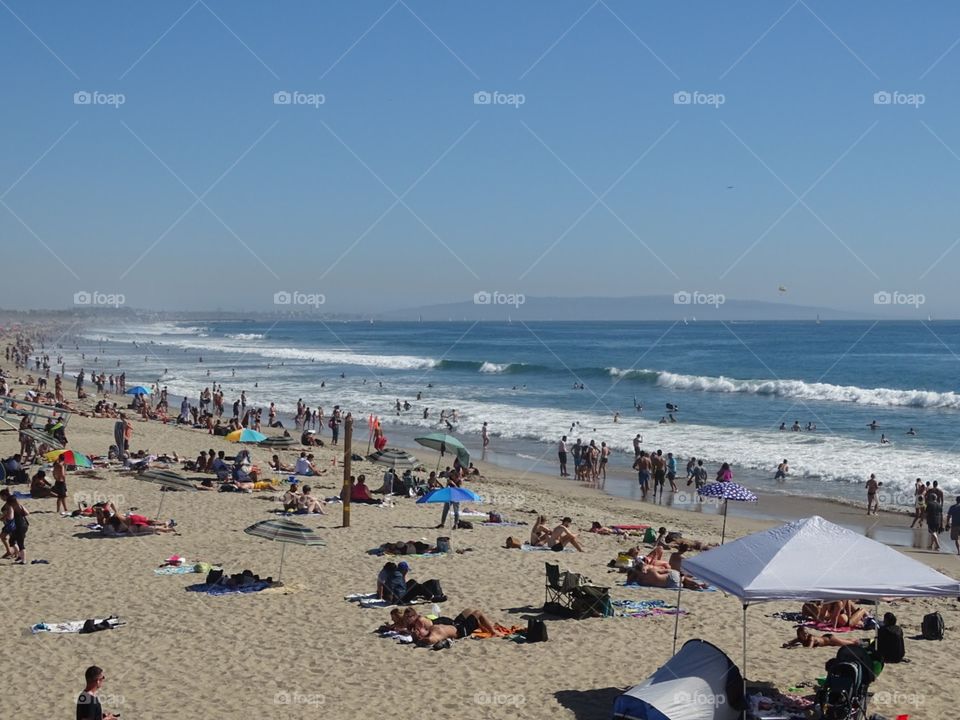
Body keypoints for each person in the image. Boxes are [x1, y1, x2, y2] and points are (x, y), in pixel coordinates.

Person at [1, 490, 29, 563]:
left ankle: (23, 560)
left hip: (18, 526)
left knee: (20, 543)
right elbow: (27, 513)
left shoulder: (10, 507)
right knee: (12, 540)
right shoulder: (19, 506)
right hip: (24, 525)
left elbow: (10, 517)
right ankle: (19, 556)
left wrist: (4, 517)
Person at [781, 626, 860, 649]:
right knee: (845, 641)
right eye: (804, 634)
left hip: (830, 639)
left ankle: (860, 642)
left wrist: (795, 647)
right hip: (826, 640)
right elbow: (788, 642)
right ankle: (857, 640)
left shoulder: (811, 638)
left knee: (849, 644)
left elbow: (809, 647)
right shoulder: (799, 639)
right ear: (799, 634)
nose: (806, 635)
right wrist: (788, 644)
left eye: (806, 633)